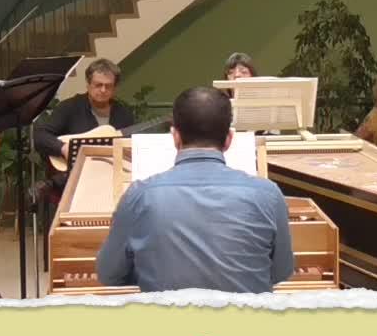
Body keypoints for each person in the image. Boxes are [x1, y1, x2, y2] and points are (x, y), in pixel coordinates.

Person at [96, 87, 294, 292]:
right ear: (229, 139)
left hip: (166, 312)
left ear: (175, 137)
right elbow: (281, 272)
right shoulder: (269, 194)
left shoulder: (139, 195)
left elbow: (109, 275)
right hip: (246, 313)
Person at [34, 58, 137, 195]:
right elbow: (40, 136)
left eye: (108, 86)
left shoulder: (123, 113)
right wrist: (63, 148)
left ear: (115, 88)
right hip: (75, 183)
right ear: (88, 85)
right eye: (98, 85)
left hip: (110, 181)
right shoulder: (69, 108)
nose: (103, 90)